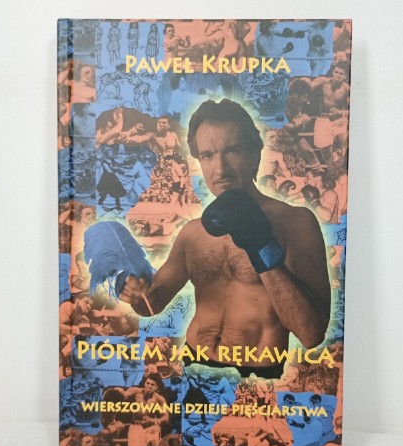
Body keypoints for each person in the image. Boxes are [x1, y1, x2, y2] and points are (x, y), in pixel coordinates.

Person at [119, 99, 330, 378]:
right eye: (207, 155)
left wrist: (262, 249)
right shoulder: (193, 232)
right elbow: (152, 303)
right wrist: (135, 294)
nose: (220, 168)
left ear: (254, 154)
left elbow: (311, 334)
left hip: (253, 376)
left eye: (232, 150)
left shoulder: (295, 222)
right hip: (193, 365)